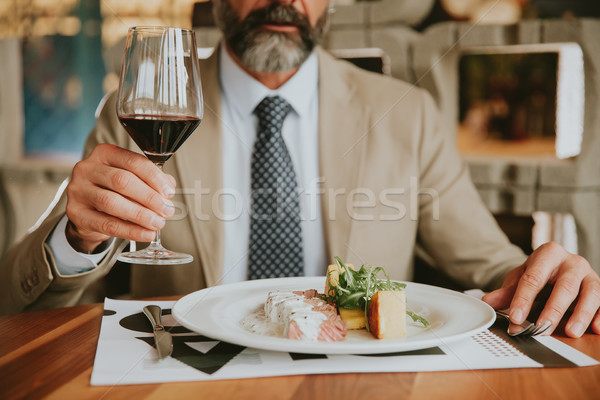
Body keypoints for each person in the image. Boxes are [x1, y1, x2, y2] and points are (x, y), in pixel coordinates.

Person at [1, 0, 599, 338]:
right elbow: (22, 303)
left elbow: (491, 267)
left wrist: (548, 277)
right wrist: (77, 236)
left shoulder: (408, 112)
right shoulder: (138, 110)